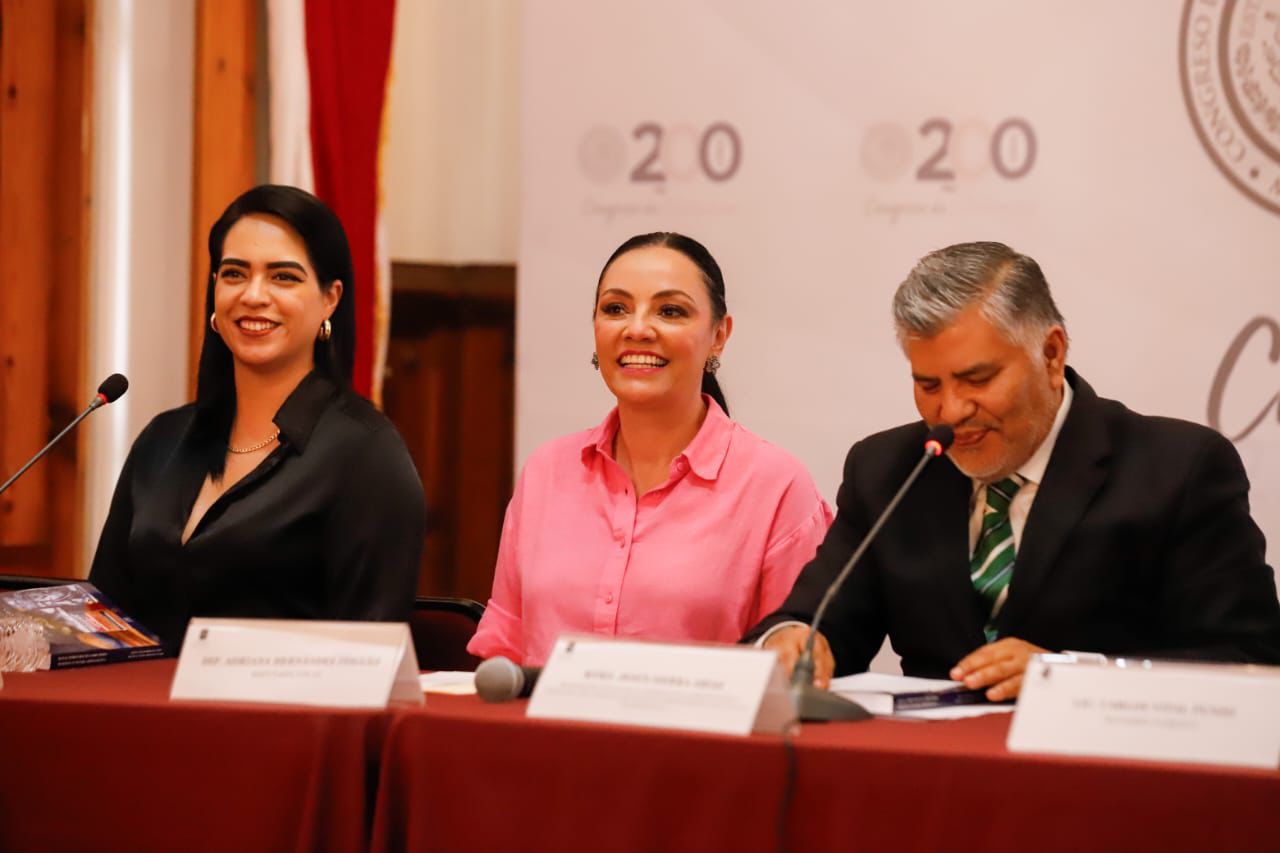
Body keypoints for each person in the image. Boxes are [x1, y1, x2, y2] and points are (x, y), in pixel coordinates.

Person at [748, 241, 1280, 699]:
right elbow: (816, 621)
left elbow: (1250, 660)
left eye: (977, 380)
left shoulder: (1178, 468)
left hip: (1112, 770)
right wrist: (791, 640)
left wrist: (1074, 677)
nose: (950, 411)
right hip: (936, 771)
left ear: (1051, 353)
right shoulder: (888, 471)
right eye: (928, 385)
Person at [467, 232, 832, 665]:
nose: (637, 329)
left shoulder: (776, 485)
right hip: (541, 711)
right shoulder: (547, 470)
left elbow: (793, 663)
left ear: (719, 335)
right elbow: (503, 649)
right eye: (615, 309)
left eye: (670, 311)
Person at [89, 185, 426, 651]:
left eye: (283, 277)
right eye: (234, 274)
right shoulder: (163, 440)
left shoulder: (367, 454)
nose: (253, 295)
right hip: (133, 698)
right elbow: (100, 620)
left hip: (293, 700)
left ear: (330, 299)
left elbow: (370, 653)